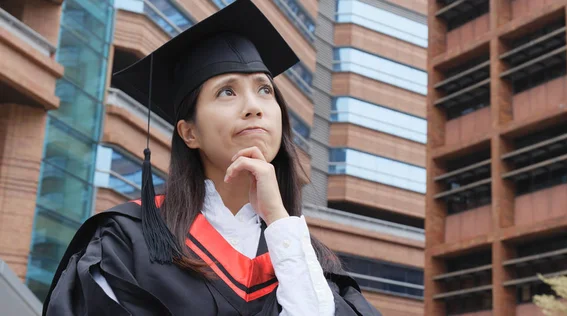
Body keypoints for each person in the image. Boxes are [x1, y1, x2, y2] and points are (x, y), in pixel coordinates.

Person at [42, 1, 381, 315]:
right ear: (189, 133)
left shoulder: (311, 260)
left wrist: (278, 219)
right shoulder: (126, 243)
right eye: (227, 92)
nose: (254, 106)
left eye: (265, 90)